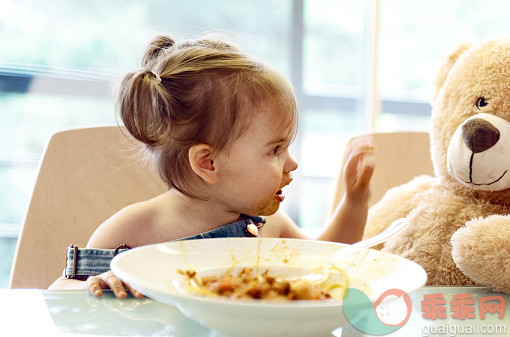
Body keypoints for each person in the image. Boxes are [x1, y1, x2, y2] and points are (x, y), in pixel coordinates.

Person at [49, 34, 374, 298]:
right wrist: (95, 285)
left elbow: (333, 260)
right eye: (275, 150)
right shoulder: (133, 231)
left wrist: (355, 201)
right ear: (208, 163)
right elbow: (57, 292)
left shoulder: (264, 226)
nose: (292, 163)